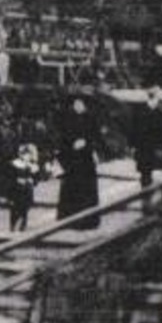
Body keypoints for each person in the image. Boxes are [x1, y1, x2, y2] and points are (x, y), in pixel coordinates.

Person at [130, 86, 162, 198]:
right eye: (148, 88)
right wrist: (133, 146)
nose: (151, 91)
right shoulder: (139, 108)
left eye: (153, 88)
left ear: (158, 89)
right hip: (145, 148)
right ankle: (147, 201)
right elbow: (133, 129)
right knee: (145, 177)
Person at [56, 96, 101, 230]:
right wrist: (71, 145)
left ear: (85, 105)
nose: (78, 106)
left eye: (81, 103)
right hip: (72, 160)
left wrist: (86, 143)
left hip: (86, 160)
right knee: (71, 189)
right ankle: (68, 221)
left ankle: (88, 221)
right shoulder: (67, 120)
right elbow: (62, 138)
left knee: (87, 189)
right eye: (76, 103)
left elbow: (96, 137)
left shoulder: (91, 119)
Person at [6, 143, 43, 234]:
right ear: (20, 155)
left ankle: (23, 224)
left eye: (28, 155)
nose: (26, 157)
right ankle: (13, 224)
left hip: (27, 189)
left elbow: (37, 178)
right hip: (16, 189)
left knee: (25, 207)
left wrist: (32, 180)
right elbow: (9, 177)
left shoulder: (32, 166)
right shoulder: (14, 164)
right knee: (14, 207)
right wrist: (16, 181)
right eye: (24, 154)